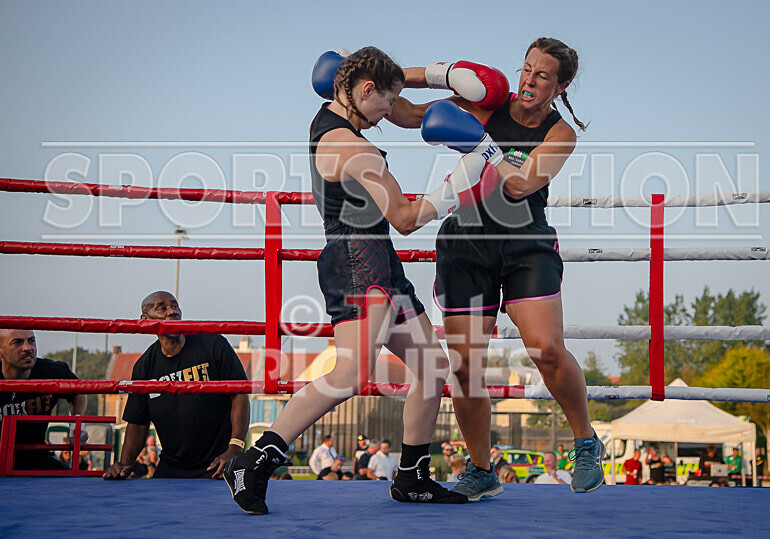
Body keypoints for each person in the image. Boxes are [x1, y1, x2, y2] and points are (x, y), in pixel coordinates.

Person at [224, 46, 499, 514]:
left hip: (377, 261)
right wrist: (463, 180)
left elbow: (388, 92)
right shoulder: (354, 148)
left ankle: (411, 475)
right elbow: (408, 218)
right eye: (386, 104)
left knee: (433, 369)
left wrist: (438, 77)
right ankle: (254, 460)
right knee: (350, 373)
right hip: (357, 261)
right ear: (365, 91)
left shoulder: (332, 112)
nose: (389, 114)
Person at [391, 37, 602, 500]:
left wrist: (483, 146)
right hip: (466, 246)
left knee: (546, 349)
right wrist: (384, 74)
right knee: (466, 368)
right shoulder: (487, 102)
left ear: (560, 84)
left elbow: (522, 185)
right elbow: (407, 115)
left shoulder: (559, 133)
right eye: (526, 69)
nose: (529, 80)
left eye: (542, 75)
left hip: (525, 244)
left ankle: (585, 440)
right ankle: (482, 469)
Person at [103, 291, 249, 480]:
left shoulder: (213, 344)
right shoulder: (145, 366)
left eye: (175, 305)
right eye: (162, 308)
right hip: (172, 466)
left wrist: (235, 447)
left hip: (217, 462)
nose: (172, 311)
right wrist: (124, 464)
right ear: (145, 320)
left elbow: (239, 395)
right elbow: (138, 422)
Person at [0, 329, 87, 470]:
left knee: (71, 484)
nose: (28, 348)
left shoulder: (50, 371)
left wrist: (77, 420)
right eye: (17, 342)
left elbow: (79, 391)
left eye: (31, 340)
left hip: (35, 455)